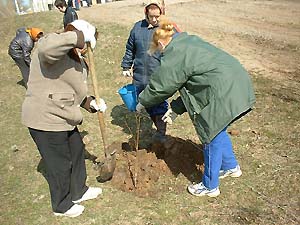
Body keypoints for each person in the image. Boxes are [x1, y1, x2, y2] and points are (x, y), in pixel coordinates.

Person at [136, 20, 256, 197]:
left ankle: (210, 186)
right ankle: (231, 167)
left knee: (211, 134)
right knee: (219, 129)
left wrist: (143, 101)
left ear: (161, 43)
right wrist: (176, 108)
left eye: (159, 50)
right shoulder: (188, 41)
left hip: (223, 91)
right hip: (235, 81)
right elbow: (194, 83)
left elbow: (161, 86)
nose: (160, 54)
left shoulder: (175, 53)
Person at [22, 20, 104, 217]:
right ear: (75, 36)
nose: (86, 49)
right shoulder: (51, 44)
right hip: (45, 117)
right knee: (59, 164)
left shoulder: (76, 59)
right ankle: (61, 205)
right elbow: (46, 50)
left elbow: (75, 93)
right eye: (86, 43)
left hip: (64, 116)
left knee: (76, 152)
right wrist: (79, 37)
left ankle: (78, 191)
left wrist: (90, 103)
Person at [121, 0, 179, 143]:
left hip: (158, 76)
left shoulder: (168, 29)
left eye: (157, 16)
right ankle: (154, 123)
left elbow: (178, 51)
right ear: (146, 13)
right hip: (140, 74)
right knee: (144, 102)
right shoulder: (137, 28)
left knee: (158, 104)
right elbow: (130, 48)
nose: (154, 20)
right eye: (151, 16)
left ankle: (161, 133)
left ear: (162, 14)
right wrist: (126, 66)